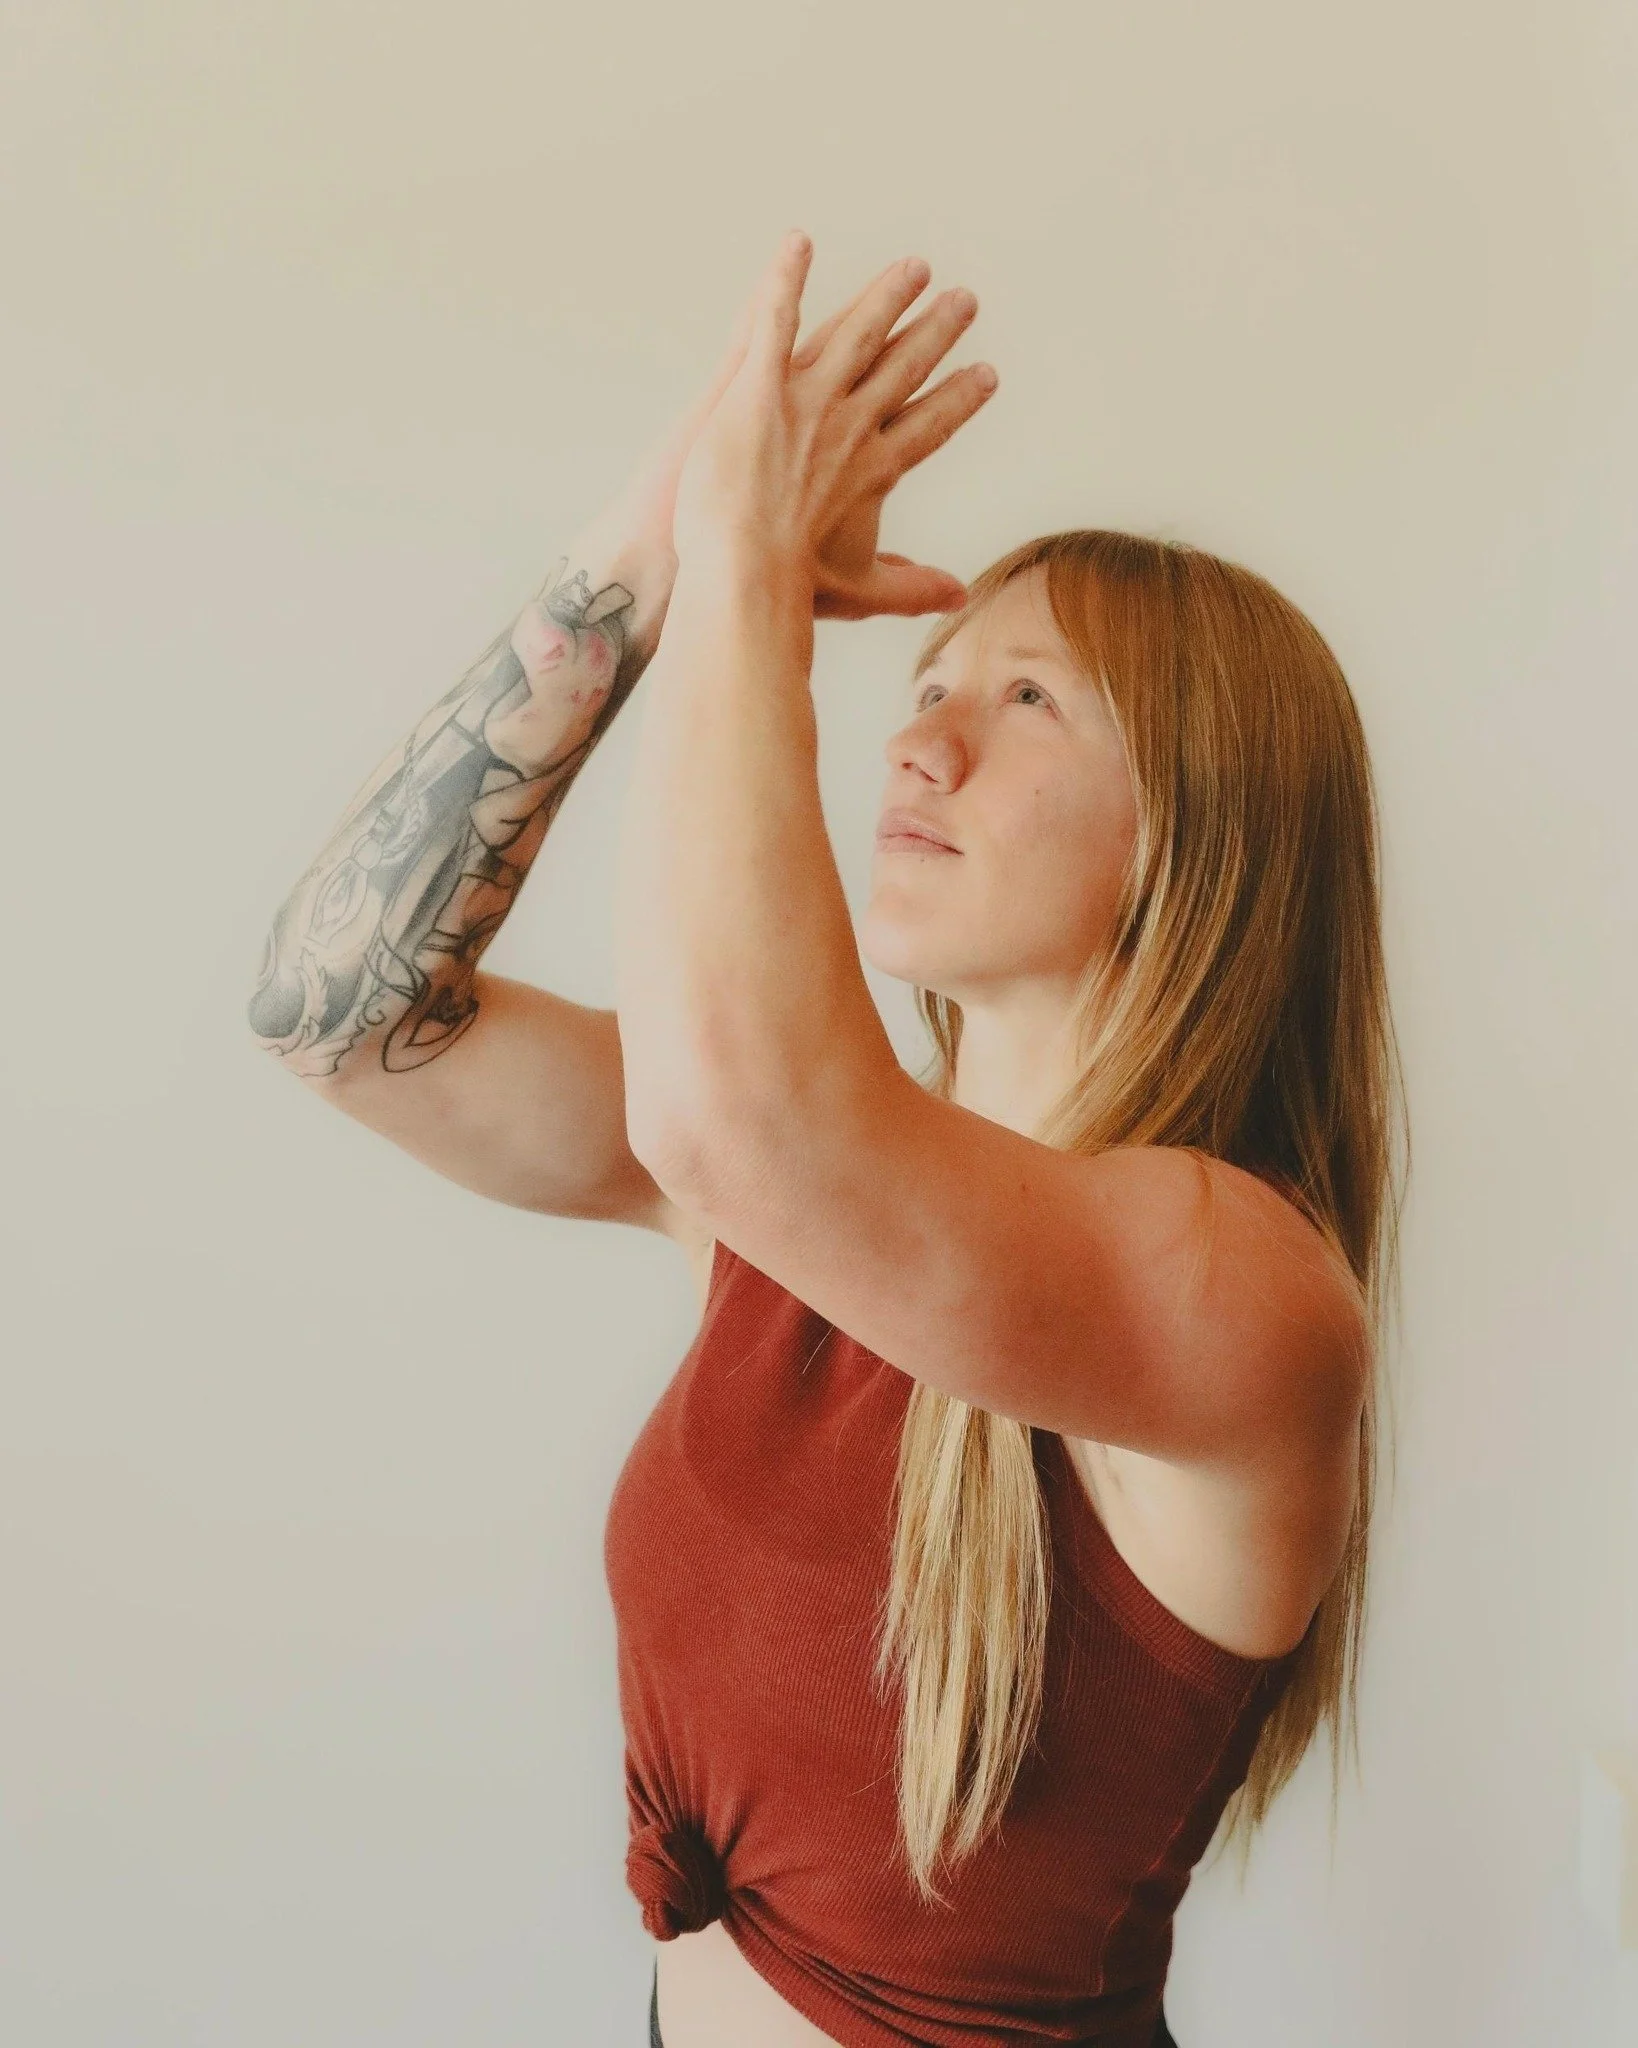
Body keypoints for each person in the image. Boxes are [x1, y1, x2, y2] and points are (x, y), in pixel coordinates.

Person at [250, 234, 1405, 2048]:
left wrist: (750, 577)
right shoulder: (801, 1210)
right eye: (930, 680)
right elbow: (344, 1012)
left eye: (1027, 698)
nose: (920, 744)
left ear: (1210, 830)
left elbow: (739, 1120)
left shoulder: (1239, 1286)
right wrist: (662, 532)